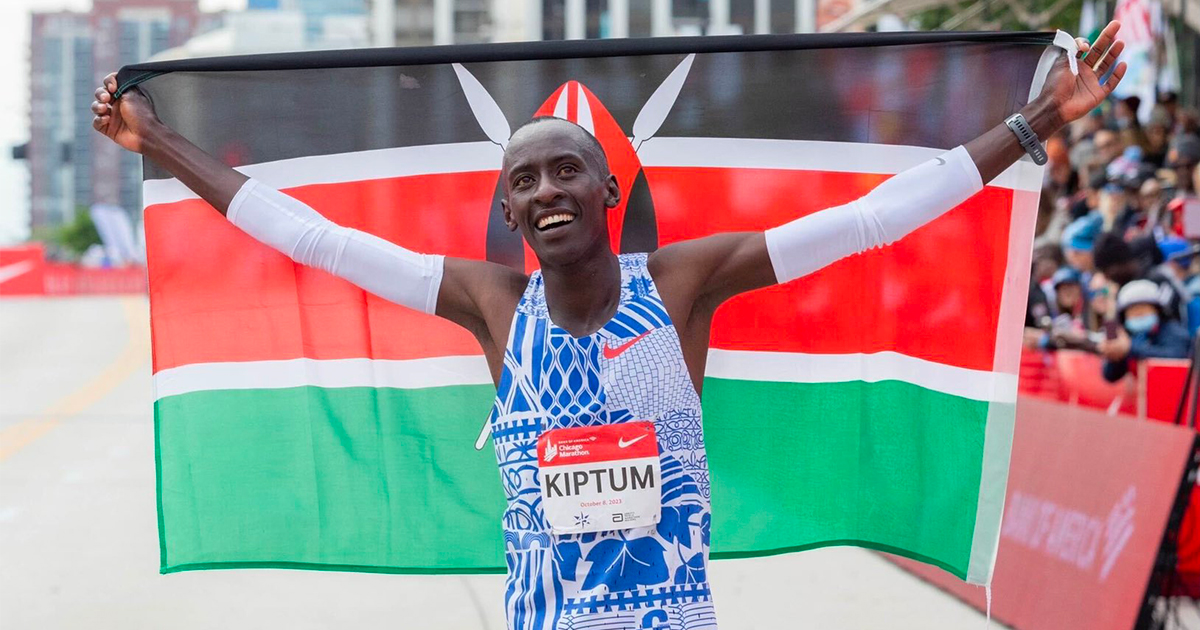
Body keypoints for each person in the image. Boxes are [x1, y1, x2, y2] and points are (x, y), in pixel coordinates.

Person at [91, 24, 1128, 630]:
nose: (546, 189)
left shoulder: (681, 284)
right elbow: (311, 238)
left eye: (566, 169)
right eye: (524, 178)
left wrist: (1036, 125)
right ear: (507, 211)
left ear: (607, 187)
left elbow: (867, 221)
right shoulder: (491, 306)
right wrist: (162, 143)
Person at [1100, 279, 1192, 381]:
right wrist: (1115, 354)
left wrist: (1130, 348)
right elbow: (1110, 376)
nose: (1138, 314)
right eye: (1132, 311)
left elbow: (1176, 357)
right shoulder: (1131, 335)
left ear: (1157, 310)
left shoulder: (1175, 333)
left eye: (1143, 309)